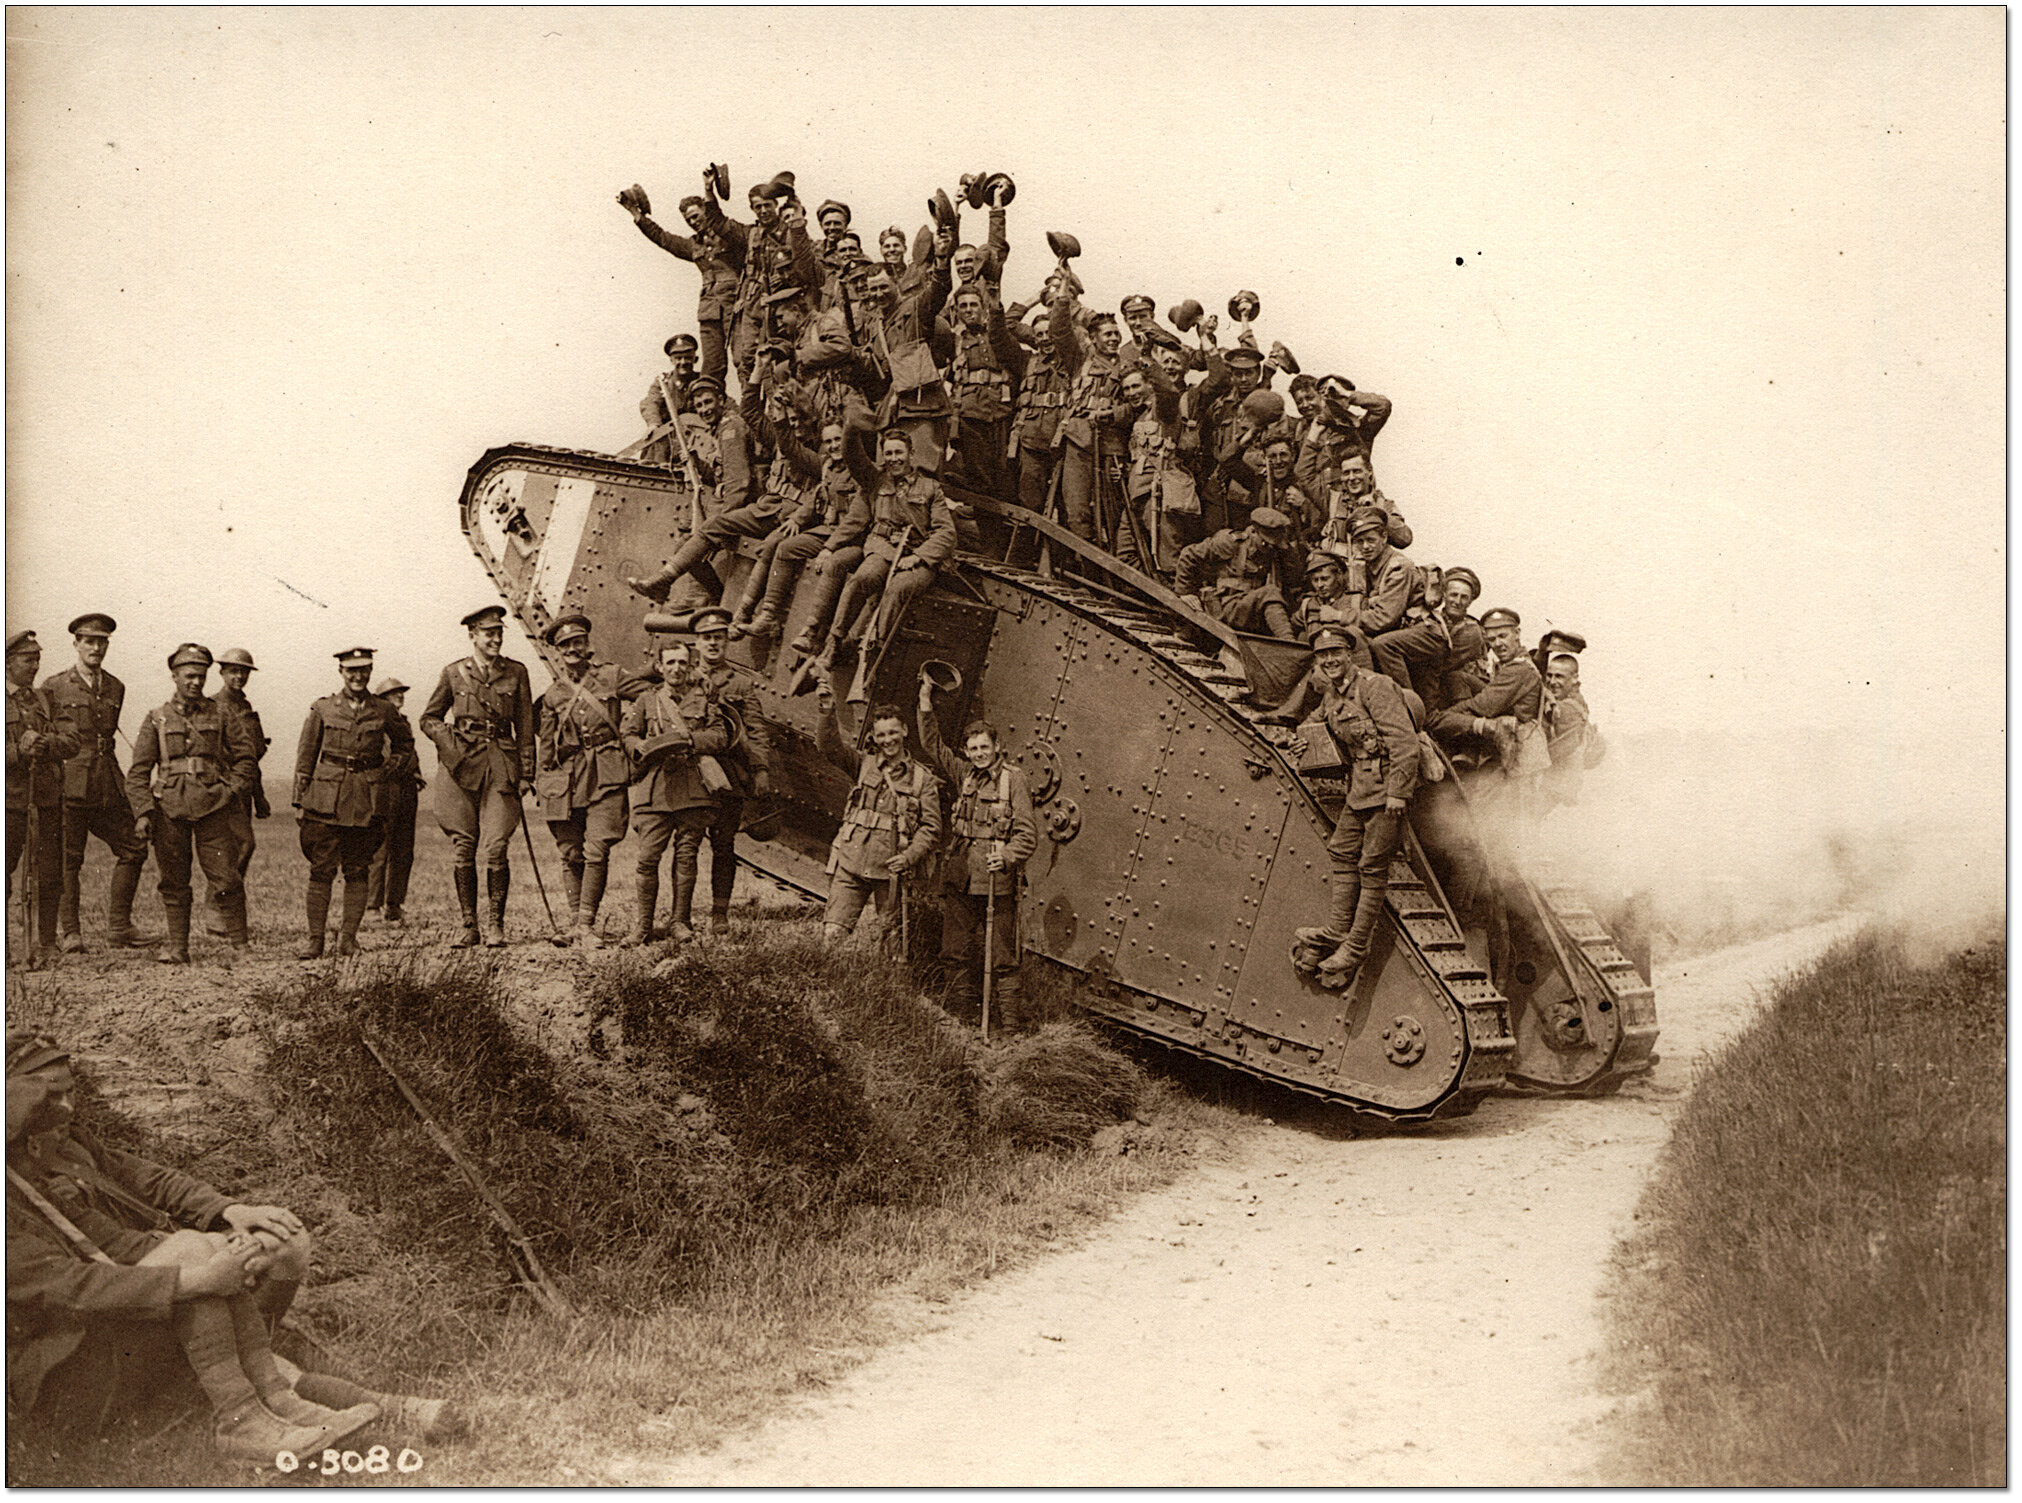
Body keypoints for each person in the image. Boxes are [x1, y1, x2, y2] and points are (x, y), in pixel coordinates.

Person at [6, 1033, 455, 1452]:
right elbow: (70, 1287)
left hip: (133, 1306)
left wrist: (229, 1211)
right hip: (70, 1366)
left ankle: (292, 1401)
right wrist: (190, 1281)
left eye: (70, 1092)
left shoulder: (65, 1141)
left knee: (277, 1241)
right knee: (198, 1258)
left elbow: (148, 1178)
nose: (67, 1108)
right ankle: (243, 1419)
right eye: (49, 1096)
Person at [1283, 626, 1419, 988]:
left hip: (1385, 790)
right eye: (1322, 656)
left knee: (1372, 866)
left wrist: (1398, 793)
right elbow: (1313, 724)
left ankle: (1356, 946)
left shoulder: (1375, 686)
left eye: (1336, 654)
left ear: (1349, 655)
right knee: (1342, 851)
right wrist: (1300, 741)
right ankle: (1337, 929)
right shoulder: (1333, 694)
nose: (1329, 661)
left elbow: (1405, 744)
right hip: (1360, 788)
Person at [915, 678, 1038, 1030]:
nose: (979, 753)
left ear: (997, 747)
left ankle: (1010, 1027)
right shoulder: (964, 774)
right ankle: (959, 1018)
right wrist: (925, 698)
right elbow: (932, 745)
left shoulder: (1014, 781)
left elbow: (1027, 834)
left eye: (985, 747)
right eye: (973, 749)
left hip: (996, 882)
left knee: (1002, 958)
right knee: (953, 952)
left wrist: (1009, 856)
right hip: (959, 879)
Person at [125, 645, 259, 965]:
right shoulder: (157, 718)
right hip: (169, 809)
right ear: (174, 676)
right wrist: (144, 812)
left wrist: (231, 790)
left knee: (226, 878)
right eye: (188, 676)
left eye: (201, 676)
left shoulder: (221, 714)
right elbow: (138, 772)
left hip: (213, 807)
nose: (195, 683)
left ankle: (241, 947)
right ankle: (177, 948)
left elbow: (246, 758)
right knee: (174, 881)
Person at [420, 606, 536, 949]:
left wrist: (526, 772)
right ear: (473, 635)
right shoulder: (454, 673)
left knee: (497, 845)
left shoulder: (516, 672)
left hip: (501, 763)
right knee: (463, 846)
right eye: (489, 634)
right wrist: (449, 745)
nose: (496, 639)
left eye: (499, 633)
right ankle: (469, 926)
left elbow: (526, 726)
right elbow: (429, 718)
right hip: (460, 767)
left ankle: (495, 925)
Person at [40, 614, 152, 953]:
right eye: (89, 641)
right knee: (68, 859)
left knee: (134, 846)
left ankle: (119, 927)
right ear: (76, 644)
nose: (96, 647)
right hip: (70, 783)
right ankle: (71, 933)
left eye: (101, 641)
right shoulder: (54, 686)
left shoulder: (116, 686)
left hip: (107, 782)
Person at [293, 648, 410, 961]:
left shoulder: (384, 709)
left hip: (365, 799)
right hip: (325, 799)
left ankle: (348, 940)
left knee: (358, 869)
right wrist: (298, 799)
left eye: (364, 670)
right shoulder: (323, 709)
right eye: (351, 671)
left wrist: (389, 770)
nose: (358, 677)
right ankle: (315, 941)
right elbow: (306, 754)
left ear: (370, 671)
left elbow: (404, 744)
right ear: (341, 672)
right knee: (321, 869)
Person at [815, 427, 959, 674]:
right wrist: (852, 426)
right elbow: (854, 458)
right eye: (888, 453)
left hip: (919, 557)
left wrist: (918, 556)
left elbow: (946, 533)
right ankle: (834, 644)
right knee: (861, 579)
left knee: (897, 589)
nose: (894, 458)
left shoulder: (931, 489)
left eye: (899, 452)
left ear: (911, 454)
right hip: (883, 548)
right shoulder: (876, 481)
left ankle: (876, 651)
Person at [812, 682, 940, 946]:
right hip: (851, 863)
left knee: (894, 945)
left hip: (892, 872)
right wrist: (827, 709)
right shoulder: (864, 763)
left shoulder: (922, 779)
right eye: (881, 735)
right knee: (831, 938)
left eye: (893, 732)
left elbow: (931, 828)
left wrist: (908, 858)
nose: (888, 740)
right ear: (874, 736)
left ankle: (887, 986)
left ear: (904, 731)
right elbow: (830, 748)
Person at [620, 639, 728, 946]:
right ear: (660, 666)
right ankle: (642, 927)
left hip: (694, 786)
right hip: (656, 788)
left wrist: (691, 740)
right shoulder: (647, 699)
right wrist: (637, 747)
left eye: (682, 663)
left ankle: (680, 922)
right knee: (647, 857)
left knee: (686, 856)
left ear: (690, 664)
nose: (677, 669)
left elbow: (720, 735)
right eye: (670, 663)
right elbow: (628, 733)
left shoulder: (703, 699)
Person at [535, 615, 632, 947]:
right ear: (558, 653)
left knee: (597, 848)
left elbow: (648, 693)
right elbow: (546, 747)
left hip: (607, 772)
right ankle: (575, 924)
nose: (573, 649)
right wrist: (543, 785)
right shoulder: (552, 695)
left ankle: (586, 925)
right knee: (570, 852)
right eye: (565, 645)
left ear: (588, 645)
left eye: (578, 642)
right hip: (569, 779)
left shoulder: (612, 676)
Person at [624, 374, 756, 602]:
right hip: (736, 507)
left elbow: (738, 484)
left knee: (690, 546)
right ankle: (713, 596)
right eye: (699, 405)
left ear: (721, 400)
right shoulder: (719, 429)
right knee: (685, 548)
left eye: (708, 402)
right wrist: (695, 461)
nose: (704, 410)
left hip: (745, 507)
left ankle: (672, 585)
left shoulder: (729, 428)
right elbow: (721, 476)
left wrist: (722, 523)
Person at [690, 608, 772, 934]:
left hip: (730, 772)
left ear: (726, 642)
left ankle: (719, 913)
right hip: (692, 772)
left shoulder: (741, 684)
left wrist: (761, 769)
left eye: (718, 638)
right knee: (687, 845)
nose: (713, 644)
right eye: (706, 638)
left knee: (724, 846)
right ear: (696, 643)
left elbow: (756, 730)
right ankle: (681, 915)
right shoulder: (682, 676)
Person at [7, 632, 78, 968]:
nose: (34, 666)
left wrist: (45, 744)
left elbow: (73, 740)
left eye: (37, 658)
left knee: (50, 874)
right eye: (26, 659)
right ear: (8, 662)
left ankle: (47, 946)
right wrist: (16, 751)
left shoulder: (47, 699)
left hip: (47, 801)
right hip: (9, 804)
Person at [622, 191, 742, 385]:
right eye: (688, 220)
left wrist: (710, 191)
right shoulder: (693, 245)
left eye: (695, 216)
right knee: (712, 366)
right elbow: (664, 239)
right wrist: (637, 216)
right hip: (709, 311)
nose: (693, 222)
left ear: (705, 211)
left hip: (735, 307)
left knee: (743, 360)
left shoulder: (729, 236)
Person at [1429, 606, 1546, 773]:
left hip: (1519, 753)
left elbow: (1482, 706)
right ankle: (1467, 746)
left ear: (1517, 633)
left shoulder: (1518, 670)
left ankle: (1465, 746)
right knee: (1457, 678)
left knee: (1483, 796)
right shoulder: (1511, 665)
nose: (1498, 644)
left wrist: (1444, 718)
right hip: (1507, 740)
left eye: (1503, 636)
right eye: (1492, 639)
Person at [208, 649, 270, 941]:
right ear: (221, 673)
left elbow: (252, 757)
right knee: (234, 848)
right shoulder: (213, 707)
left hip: (244, 790)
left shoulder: (246, 707)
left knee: (240, 848)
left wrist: (260, 797)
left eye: (243, 672)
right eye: (233, 671)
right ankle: (217, 910)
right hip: (223, 789)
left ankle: (223, 911)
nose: (239, 677)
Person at [944, 283, 1025, 500]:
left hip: (1001, 411)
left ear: (983, 307)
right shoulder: (954, 340)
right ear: (957, 311)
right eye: (963, 306)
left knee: (1004, 476)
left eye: (973, 304)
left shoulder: (999, 335)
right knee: (979, 479)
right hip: (971, 415)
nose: (969, 309)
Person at [1369, 565, 1486, 713]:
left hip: (1446, 691)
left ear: (1470, 602)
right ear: (1444, 595)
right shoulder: (1433, 618)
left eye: (1464, 597)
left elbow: (1441, 662)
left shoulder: (1471, 631)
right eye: (1453, 595)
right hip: (1422, 680)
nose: (1457, 601)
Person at [1173, 506, 1301, 638]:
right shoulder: (1231, 542)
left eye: (1273, 544)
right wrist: (1185, 593)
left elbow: (1295, 579)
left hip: (1252, 610)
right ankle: (1288, 640)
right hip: (1227, 606)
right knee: (1270, 591)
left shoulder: (1273, 550)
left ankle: (1287, 642)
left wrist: (1286, 551)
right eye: (1265, 542)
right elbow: (1189, 555)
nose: (1268, 547)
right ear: (1254, 531)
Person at [364, 676, 423, 925]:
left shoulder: (403, 723)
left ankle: (394, 904)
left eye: (400, 692)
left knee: (404, 850)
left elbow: (409, 752)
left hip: (406, 789)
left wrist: (416, 773)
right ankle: (372, 906)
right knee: (380, 849)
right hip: (384, 789)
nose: (399, 696)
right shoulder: (376, 723)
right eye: (393, 694)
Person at [1341, 504, 1418, 640]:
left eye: (1371, 540)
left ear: (1384, 537)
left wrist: (1340, 616)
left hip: (1414, 630)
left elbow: (1383, 619)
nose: (1365, 547)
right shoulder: (1366, 567)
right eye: (1360, 541)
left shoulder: (1398, 567)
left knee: (1381, 645)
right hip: (1394, 629)